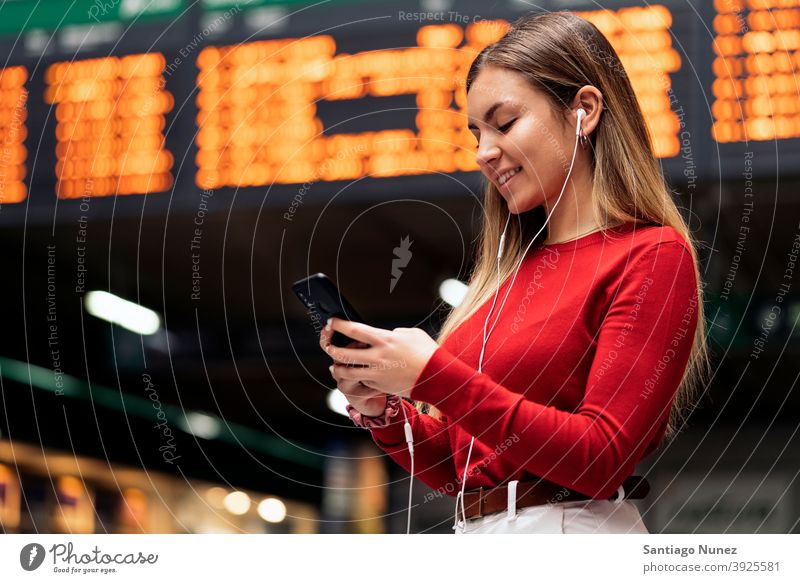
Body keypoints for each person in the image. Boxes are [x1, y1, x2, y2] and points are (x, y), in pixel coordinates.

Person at [319, 11, 711, 534]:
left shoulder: (652, 255)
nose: (483, 152)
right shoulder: (505, 276)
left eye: (504, 124)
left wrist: (433, 375)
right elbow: (462, 470)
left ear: (584, 110)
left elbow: (601, 460)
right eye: (477, 132)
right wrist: (385, 412)